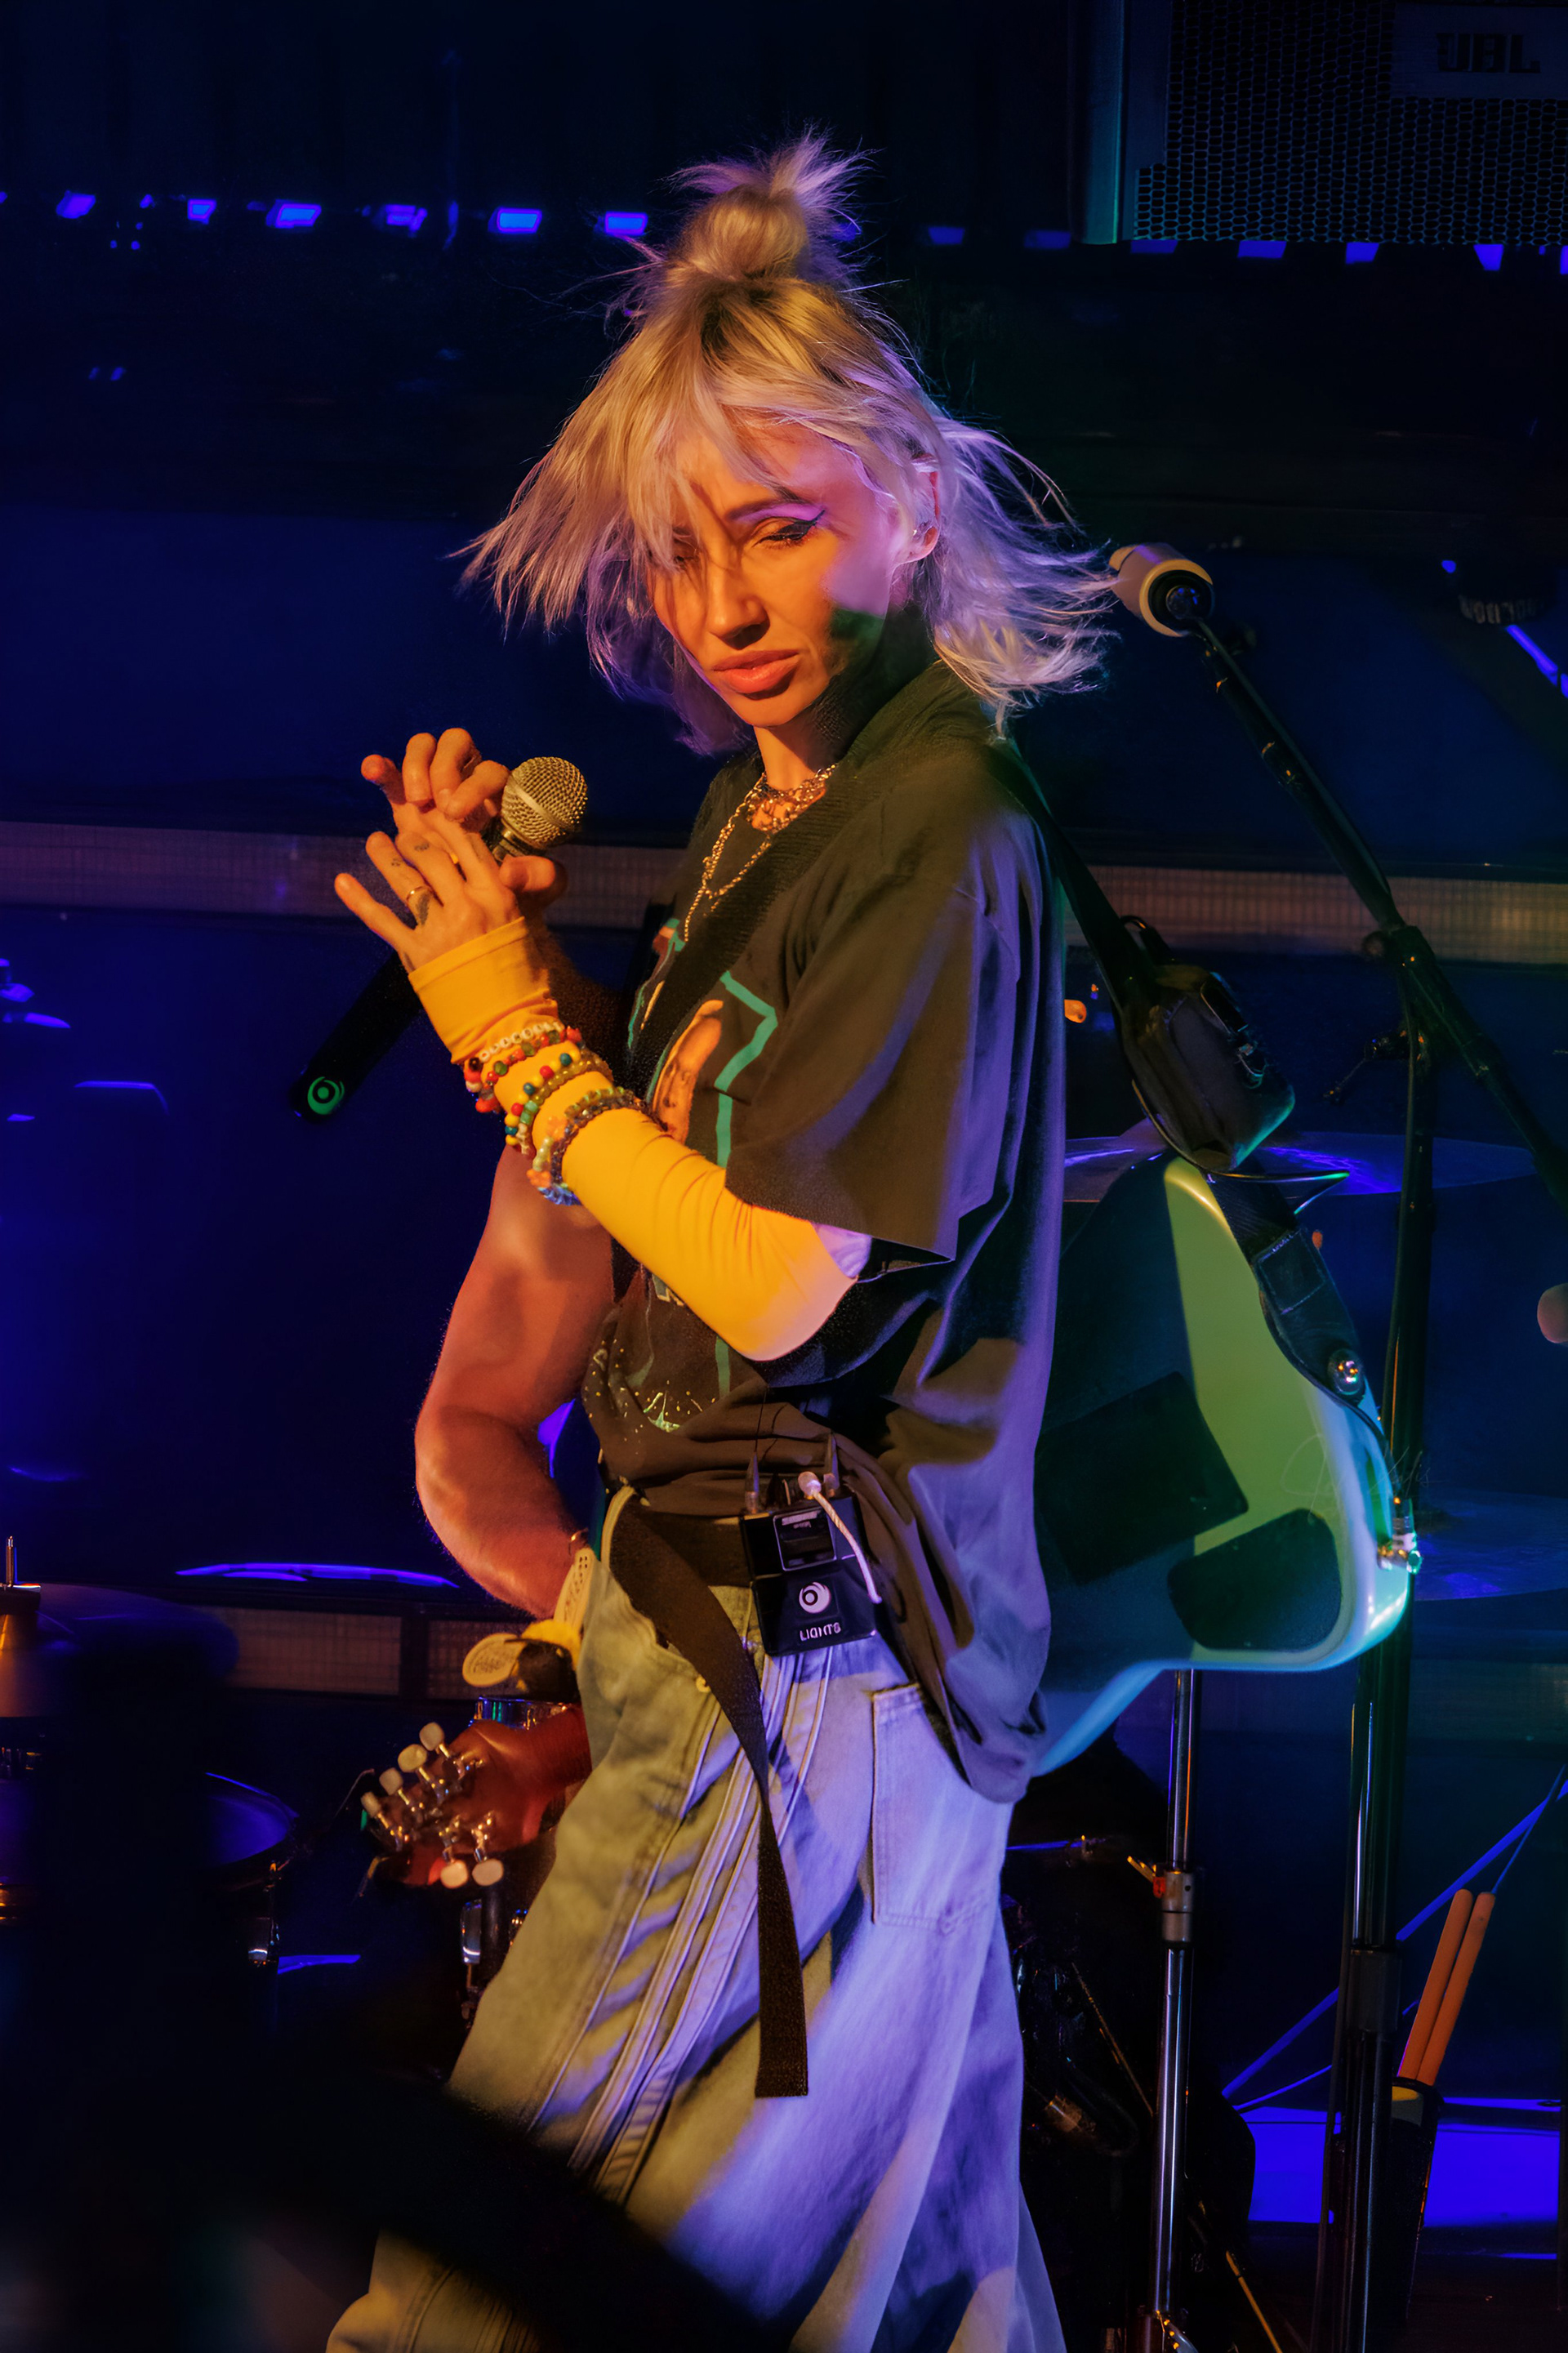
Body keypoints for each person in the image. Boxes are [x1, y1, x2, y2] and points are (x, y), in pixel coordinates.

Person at [328, 136, 1105, 2353]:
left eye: (775, 528)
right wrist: (532, 997)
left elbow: (782, 1284)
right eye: (679, 554)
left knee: (479, 2277)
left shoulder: (929, 812)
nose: (724, 603)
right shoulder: (775, 812)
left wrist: (512, 1044)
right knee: (920, 2299)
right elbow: (671, 1197)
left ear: (911, 506)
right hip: (845, 1669)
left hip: (793, 1661)